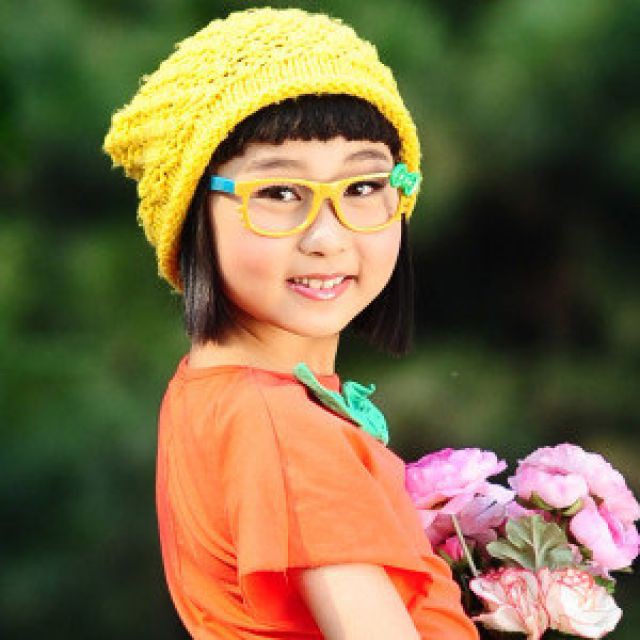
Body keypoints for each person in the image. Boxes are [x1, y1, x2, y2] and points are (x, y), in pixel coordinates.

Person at [103, 7, 479, 639]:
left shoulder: (214, 393)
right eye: (279, 193)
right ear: (192, 216)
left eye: (363, 186)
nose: (327, 237)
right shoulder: (283, 428)